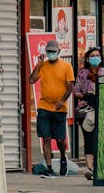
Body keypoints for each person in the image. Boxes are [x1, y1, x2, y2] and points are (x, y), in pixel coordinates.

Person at [29, 39, 75, 177]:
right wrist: (39, 64)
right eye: (48, 51)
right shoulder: (43, 66)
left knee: (60, 139)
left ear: (58, 52)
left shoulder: (66, 66)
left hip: (59, 108)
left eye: (53, 51)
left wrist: (62, 101)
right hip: (44, 106)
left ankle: (62, 158)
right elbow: (31, 80)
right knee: (46, 137)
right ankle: (49, 168)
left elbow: (70, 86)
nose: (51, 54)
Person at [74, 46, 104, 180]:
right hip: (86, 110)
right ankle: (90, 168)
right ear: (88, 59)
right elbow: (76, 91)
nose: (96, 58)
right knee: (88, 139)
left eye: (97, 55)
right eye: (93, 56)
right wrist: (85, 97)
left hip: (102, 109)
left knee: (100, 138)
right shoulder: (82, 73)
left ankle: (100, 166)